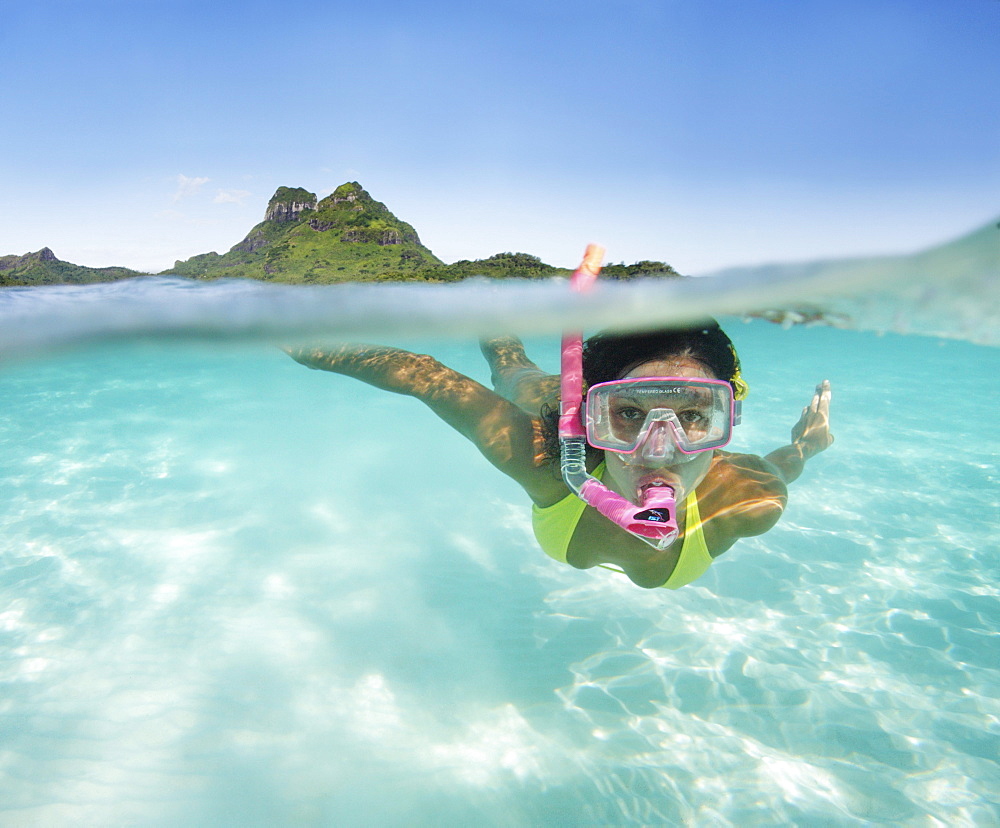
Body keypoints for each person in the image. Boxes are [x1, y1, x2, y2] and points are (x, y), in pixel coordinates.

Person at [284, 321, 833, 590]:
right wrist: (304, 346)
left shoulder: (749, 499)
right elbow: (426, 377)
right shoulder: (549, 457)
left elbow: (784, 464)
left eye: (693, 415)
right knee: (516, 375)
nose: (658, 448)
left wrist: (807, 443)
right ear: (590, 415)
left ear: (727, 422)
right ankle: (501, 337)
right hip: (557, 411)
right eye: (630, 413)